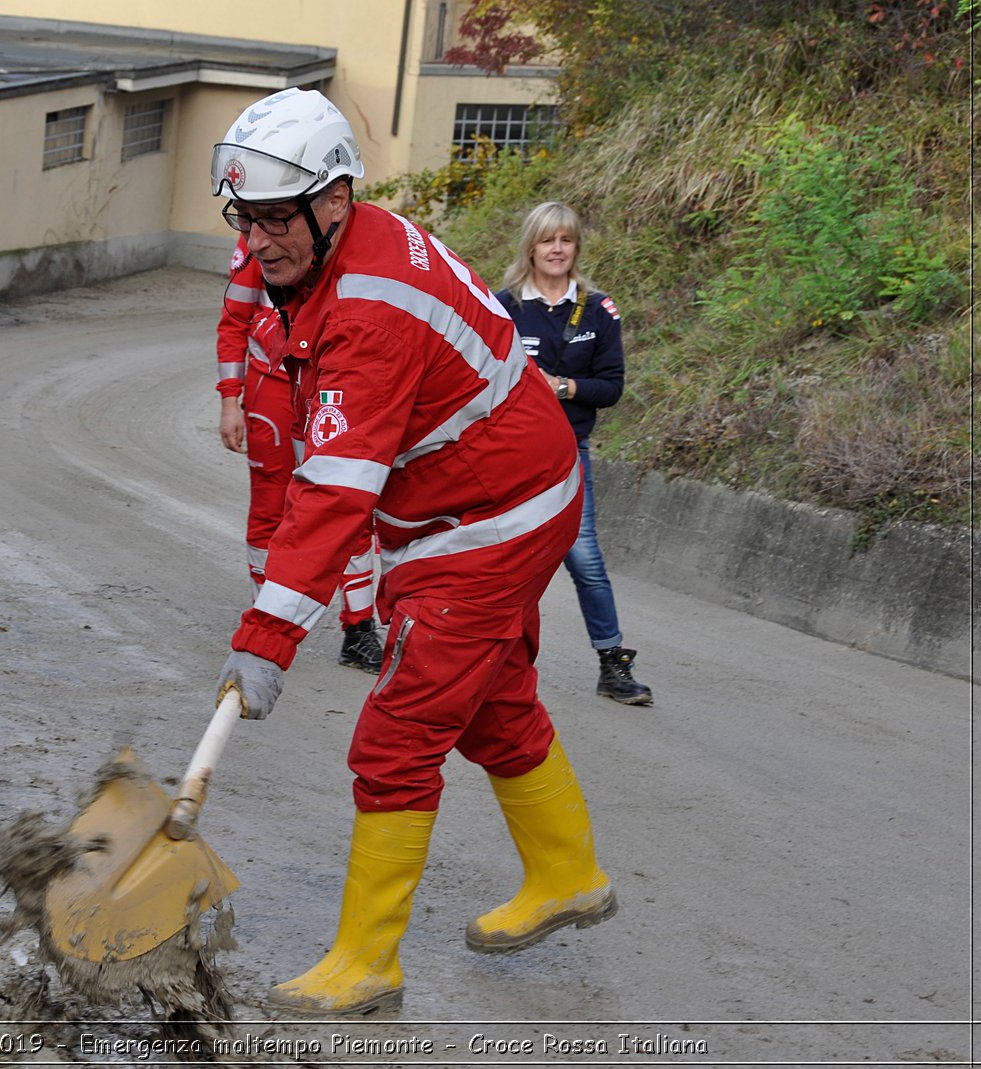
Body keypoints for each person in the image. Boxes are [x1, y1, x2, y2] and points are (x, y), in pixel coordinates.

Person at [210, 88, 617, 1016]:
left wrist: (267, 635)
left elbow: (334, 492)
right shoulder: (340, 255)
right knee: (488, 699)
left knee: (396, 733)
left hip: (492, 518)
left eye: (278, 217)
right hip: (485, 498)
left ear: (335, 199)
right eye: (245, 219)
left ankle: (368, 963)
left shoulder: (370, 306)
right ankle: (569, 872)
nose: (259, 240)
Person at [495, 202, 653, 705]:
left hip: (569, 452)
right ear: (531, 247)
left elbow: (611, 387)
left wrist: (560, 387)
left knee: (583, 557)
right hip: (511, 453)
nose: (557, 249)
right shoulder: (503, 308)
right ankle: (489, 658)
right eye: (547, 240)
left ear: (576, 246)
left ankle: (612, 663)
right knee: (502, 556)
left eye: (565, 240)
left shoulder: (600, 311)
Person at [216, 236, 384, 672]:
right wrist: (229, 399)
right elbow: (234, 320)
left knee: (346, 502)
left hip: (330, 386)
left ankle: (359, 628)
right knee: (271, 509)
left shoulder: (342, 236)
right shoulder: (259, 236)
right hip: (269, 386)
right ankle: (265, 618)